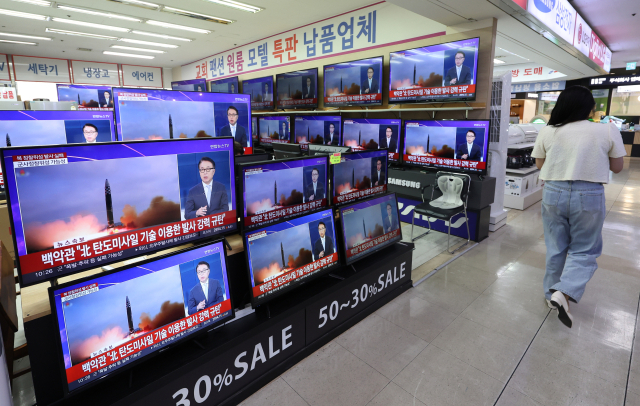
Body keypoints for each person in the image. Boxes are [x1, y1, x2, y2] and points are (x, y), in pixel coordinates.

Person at [531, 85, 625, 328]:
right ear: (590, 107)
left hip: (553, 192)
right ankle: (564, 291)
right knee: (585, 250)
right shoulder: (606, 130)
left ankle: (550, 295)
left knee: (555, 247)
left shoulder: (548, 130)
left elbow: (541, 164)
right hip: (589, 194)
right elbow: (617, 167)